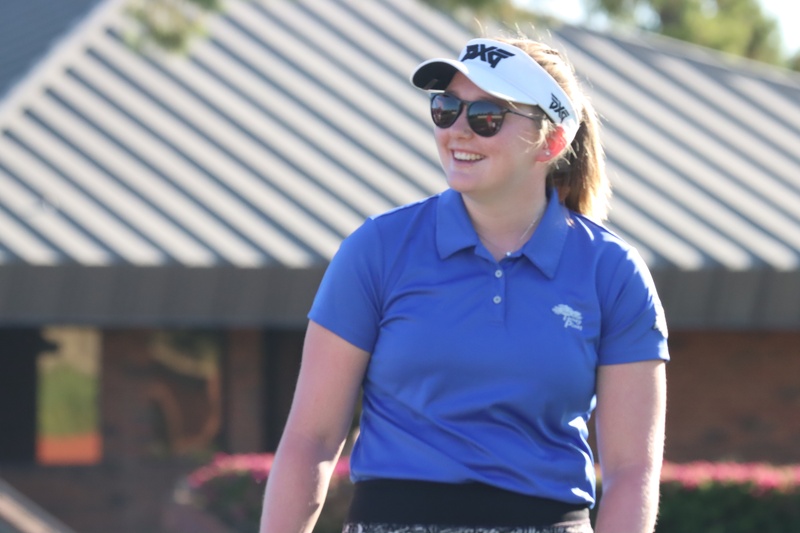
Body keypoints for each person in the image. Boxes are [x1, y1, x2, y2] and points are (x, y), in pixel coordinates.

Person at [259, 35, 669, 533]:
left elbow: (631, 472)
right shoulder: (377, 249)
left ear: (552, 142)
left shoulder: (613, 271)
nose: (457, 131)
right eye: (446, 108)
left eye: (486, 116)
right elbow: (311, 441)